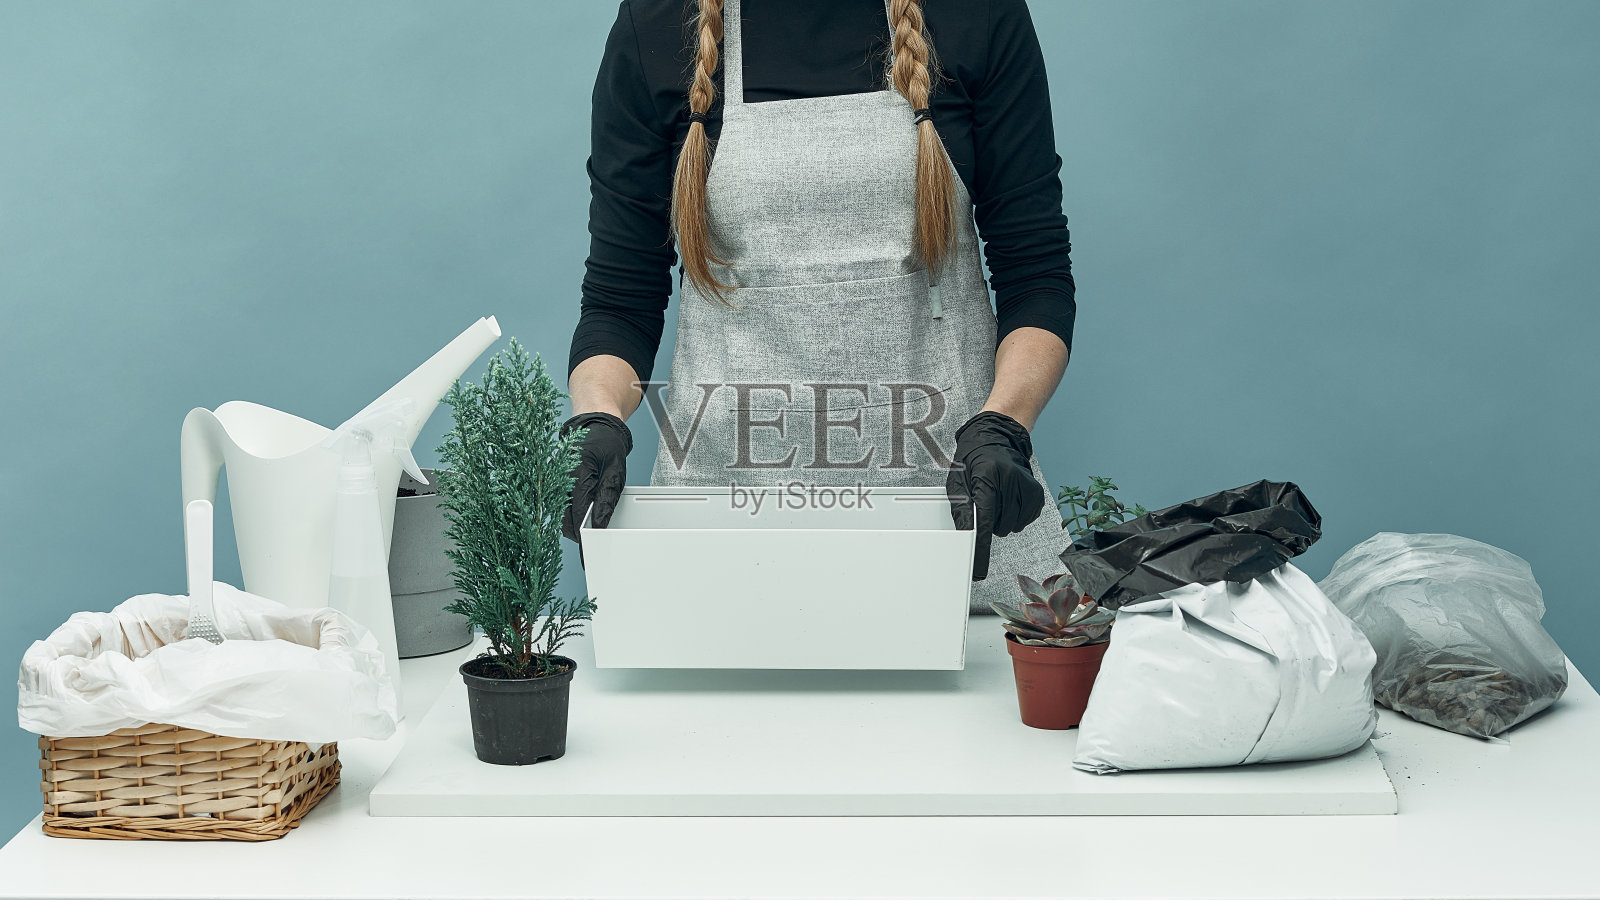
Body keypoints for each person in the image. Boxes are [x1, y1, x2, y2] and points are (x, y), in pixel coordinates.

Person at [561, 0, 1076, 610]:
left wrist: (1003, 426)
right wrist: (599, 420)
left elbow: (1035, 274)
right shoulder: (658, 25)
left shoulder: (973, 14)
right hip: (729, 543)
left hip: (956, 527)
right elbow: (620, 301)